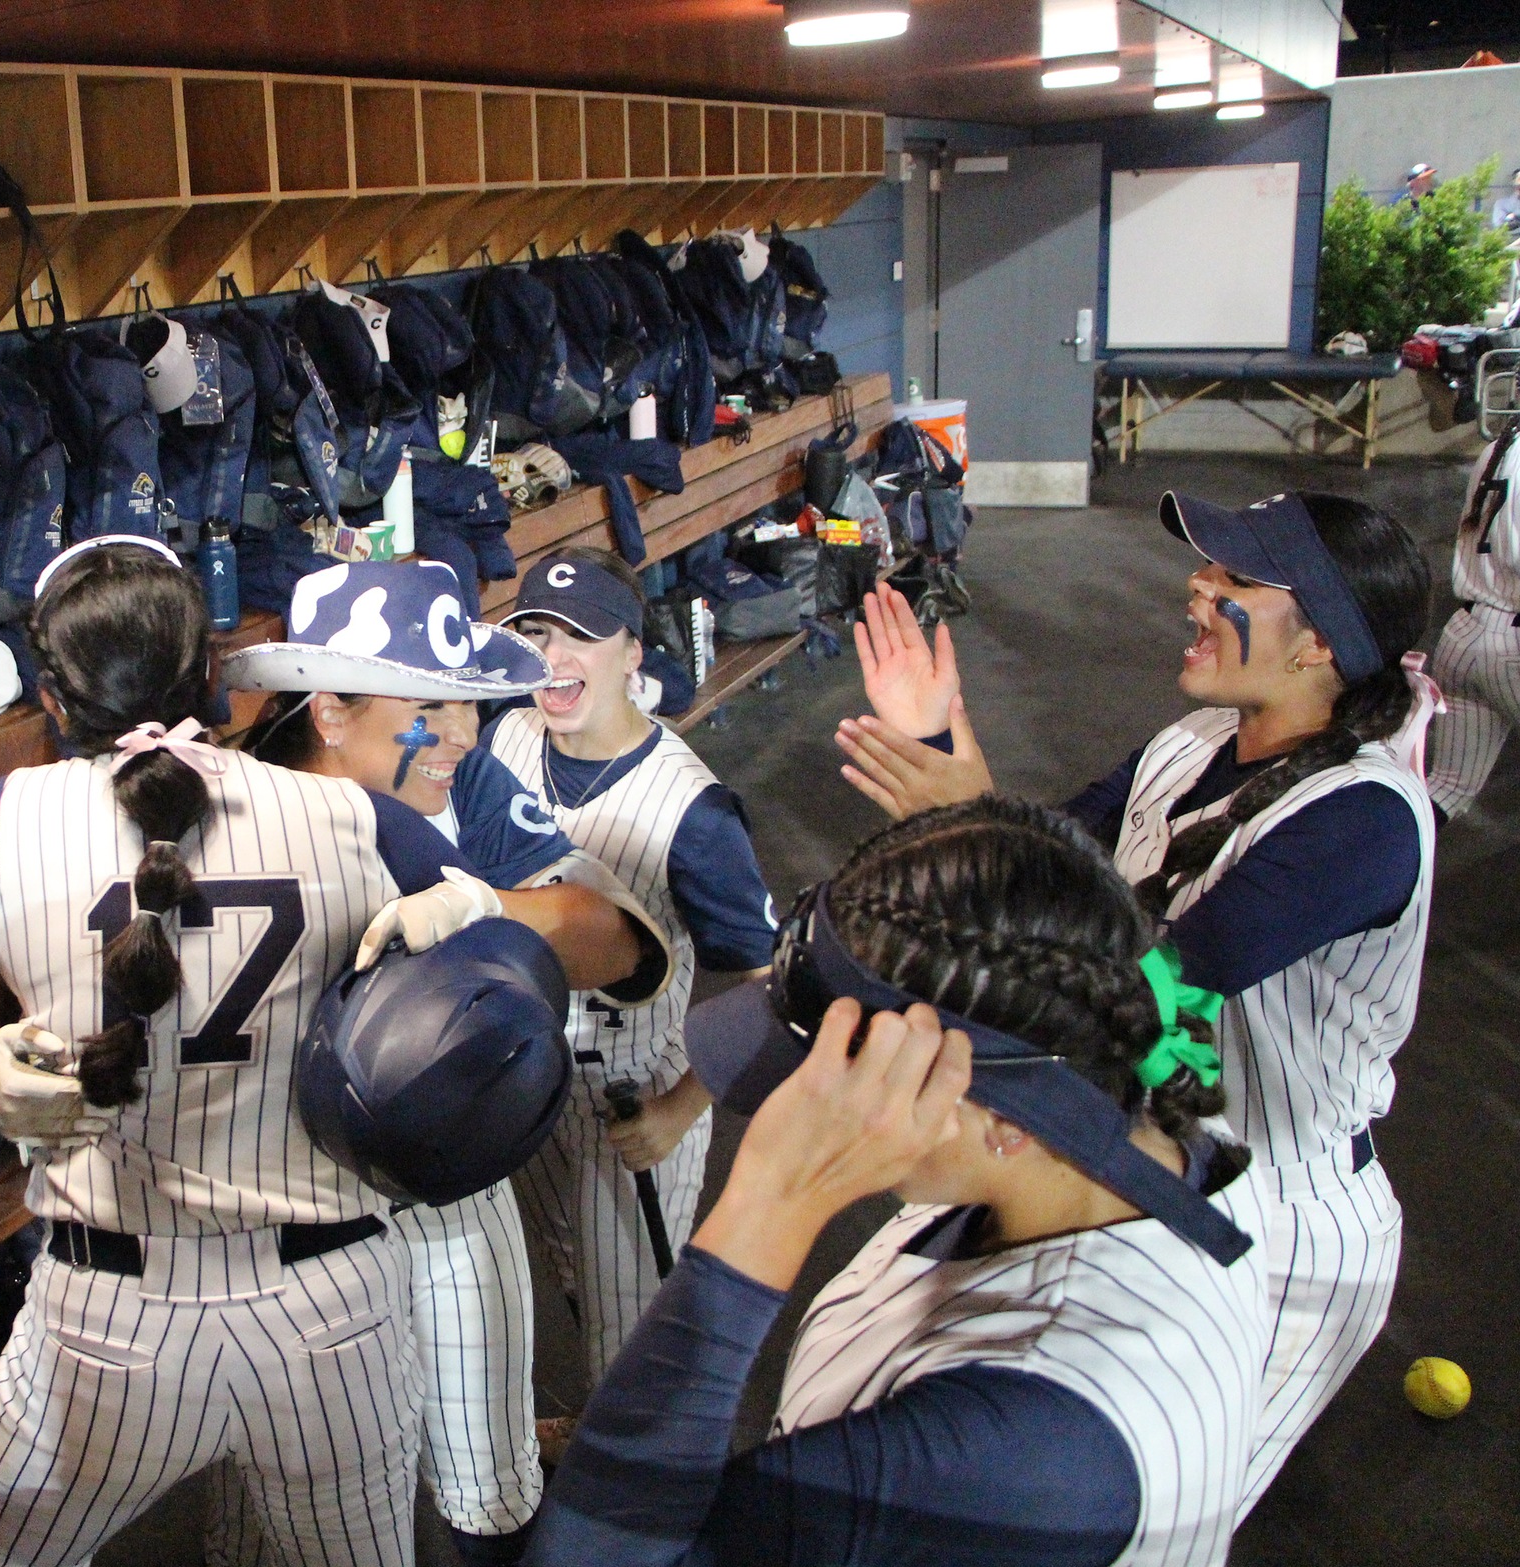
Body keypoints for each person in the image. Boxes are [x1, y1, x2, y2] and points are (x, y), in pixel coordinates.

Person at [0, 535, 553, 1567]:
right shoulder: (350, 813)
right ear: (211, 673)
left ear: (50, 694)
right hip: (329, 1306)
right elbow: (509, 950)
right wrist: (461, 903)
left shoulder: (6, 819)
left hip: (106, 1311)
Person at [831, 489, 1438, 1513]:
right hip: (1137, 1158)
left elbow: (1151, 986)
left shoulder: (1363, 818)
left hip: (1283, 1225)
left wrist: (980, 819)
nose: (1198, 586)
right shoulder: (1187, 744)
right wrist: (941, 752)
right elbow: (1045, 861)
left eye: (1237, 579)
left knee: (1142, 1521)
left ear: (1318, 646)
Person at [528, 797, 1270, 1567]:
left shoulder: (1024, 1445)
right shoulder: (1120, 1141)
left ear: (996, 1107)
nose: (802, 1101)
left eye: (844, 1070)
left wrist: (763, 1211)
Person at [210, 558, 673, 1567]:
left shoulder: (458, 784)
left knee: (485, 1490)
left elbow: (612, 936)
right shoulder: (214, 799)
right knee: (278, 1519)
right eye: (429, 706)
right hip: (270, 1218)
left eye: (467, 704)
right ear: (328, 711)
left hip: (442, 1199)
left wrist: (484, 905)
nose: (461, 732)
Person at [490, 546, 781, 1405]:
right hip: (523, 1080)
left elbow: (777, 984)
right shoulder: (502, 736)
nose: (554, 657)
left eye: (583, 636)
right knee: (575, 1278)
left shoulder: (691, 811)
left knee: (637, 1338)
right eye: (538, 632)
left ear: (632, 652)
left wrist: (681, 1107)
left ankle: (648, 1503)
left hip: (629, 1099)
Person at [1427, 424, 1520, 817]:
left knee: (1446, 789)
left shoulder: (1503, 445)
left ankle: (1361, 868)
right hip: (1513, 648)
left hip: (1463, 637)